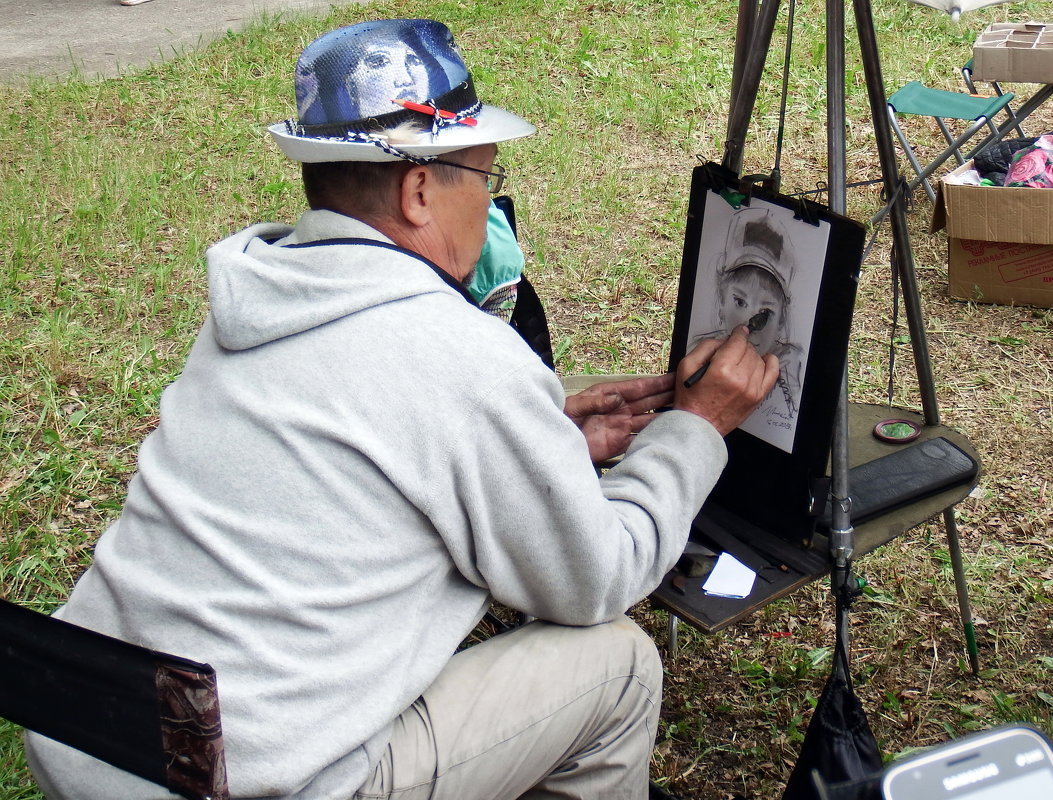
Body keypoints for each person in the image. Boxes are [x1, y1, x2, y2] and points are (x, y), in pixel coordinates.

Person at [24, 18, 778, 800]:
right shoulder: (460, 356)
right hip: (248, 782)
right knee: (618, 667)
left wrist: (539, 438)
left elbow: (364, 444)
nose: (490, 206)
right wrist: (696, 429)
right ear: (420, 190)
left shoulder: (261, 295)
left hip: (90, 744)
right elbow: (600, 576)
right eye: (485, 179)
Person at [691, 205, 805, 421]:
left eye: (765, 311)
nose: (748, 323)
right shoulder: (697, 355)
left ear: (781, 322)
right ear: (721, 302)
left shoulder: (792, 374)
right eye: (739, 302)